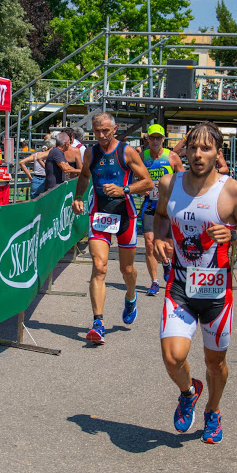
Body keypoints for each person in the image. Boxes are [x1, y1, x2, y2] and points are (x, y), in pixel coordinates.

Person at [153, 121, 237, 443]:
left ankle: (213, 410)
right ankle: (189, 391)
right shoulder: (169, 184)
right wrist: (158, 239)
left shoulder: (234, 191)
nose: (198, 154)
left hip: (216, 292)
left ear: (217, 153)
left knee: (215, 363)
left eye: (206, 148)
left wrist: (233, 235)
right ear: (184, 150)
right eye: (193, 147)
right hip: (180, 287)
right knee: (173, 357)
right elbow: (160, 217)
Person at [72, 112, 153, 345]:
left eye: (106, 130)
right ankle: (98, 323)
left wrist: (124, 190)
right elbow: (85, 176)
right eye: (97, 131)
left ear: (115, 128)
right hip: (99, 214)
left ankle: (130, 295)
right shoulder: (91, 152)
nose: (101, 135)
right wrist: (78, 196)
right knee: (99, 267)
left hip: (125, 213)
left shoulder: (127, 151)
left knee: (127, 269)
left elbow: (147, 182)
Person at [140, 124, 185, 296]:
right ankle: (154, 282)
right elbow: (133, 178)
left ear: (163, 140)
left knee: (168, 247)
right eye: (152, 137)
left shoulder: (172, 157)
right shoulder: (142, 157)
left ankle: (167, 265)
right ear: (148, 139)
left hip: (169, 207)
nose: (155, 141)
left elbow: (184, 179)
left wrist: (169, 185)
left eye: (159, 138)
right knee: (150, 243)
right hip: (150, 205)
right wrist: (141, 187)